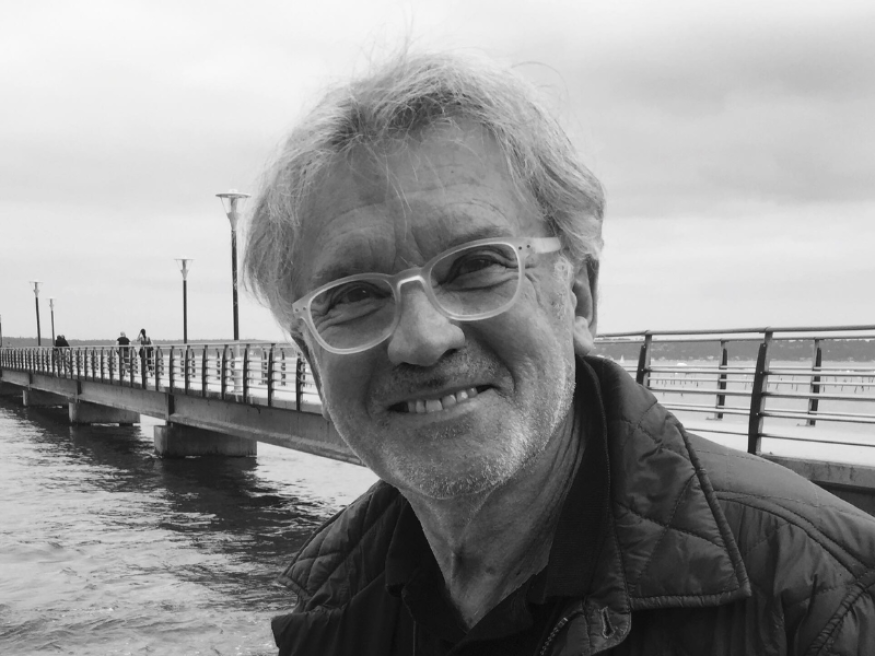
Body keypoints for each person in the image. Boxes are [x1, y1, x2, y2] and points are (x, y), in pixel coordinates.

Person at [243, 52, 875, 655]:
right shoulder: (334, 607)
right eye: (353, 296)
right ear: (310, 353)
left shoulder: (818, 600)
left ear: (577, 298)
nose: (423, 338)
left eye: (475, 266)